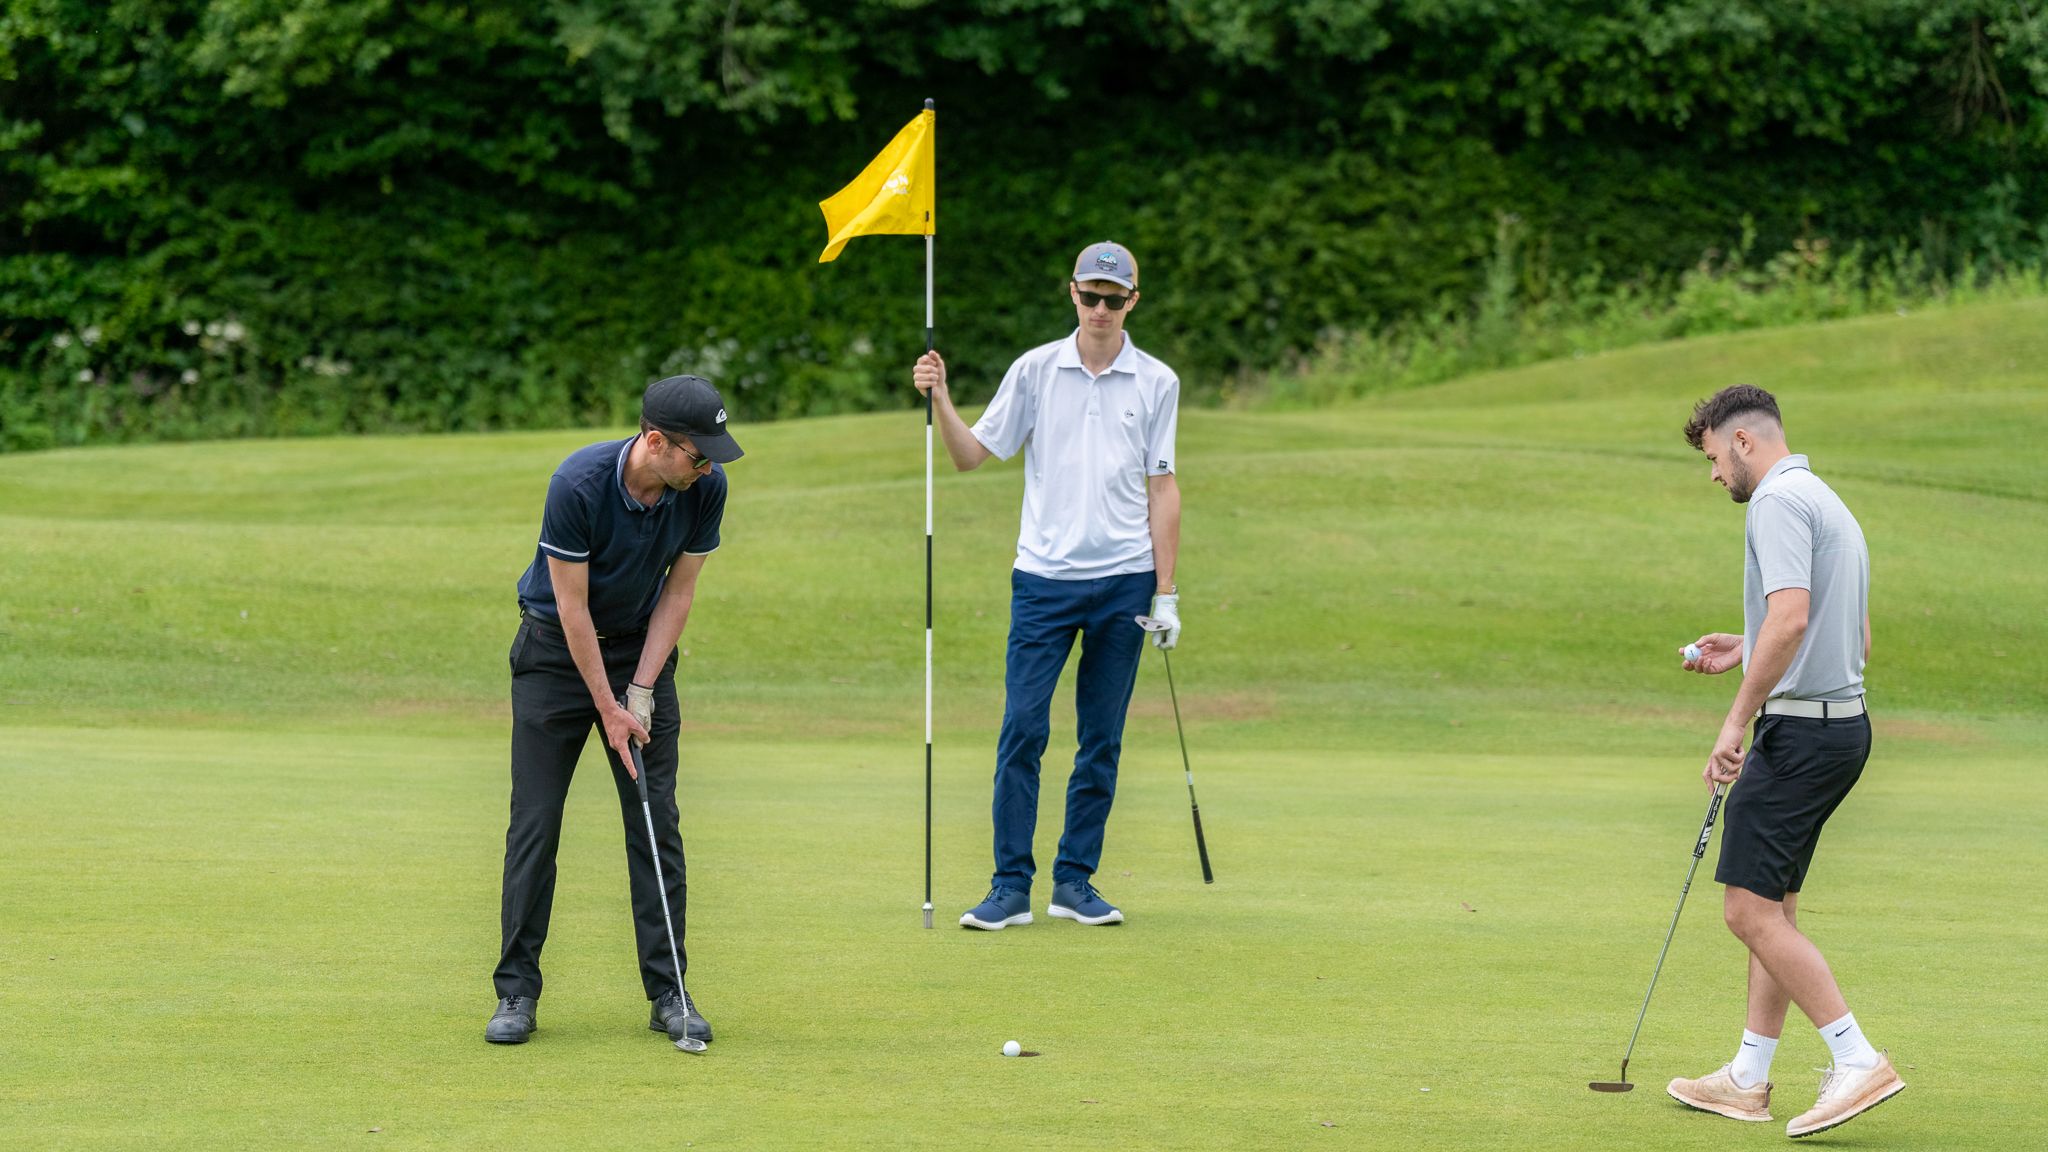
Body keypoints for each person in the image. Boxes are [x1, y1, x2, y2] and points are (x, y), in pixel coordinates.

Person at [912, 240, 1182, 931]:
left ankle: (1074, 882)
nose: (1099, 308)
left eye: (1112, 298)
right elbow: (973, 455)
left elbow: (1163, 487)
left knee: (1101, 738)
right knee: (1023, 729)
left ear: (1131, 303)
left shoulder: (1157, 382)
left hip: (1126, 579)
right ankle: (1009, 886)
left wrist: (1167, 592)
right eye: (1089, 295)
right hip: (1044, 580)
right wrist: (940, 398)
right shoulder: (1036, 370)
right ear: (1072, 294)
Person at [1665, 385, 1904, 1137]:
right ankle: (1748, 1076)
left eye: (1711, 458)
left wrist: (1735, 721)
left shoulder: (1773, 501)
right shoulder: (1826, 498)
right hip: (1840, 728)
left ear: (1742, 442)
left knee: (1746, 909)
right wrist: (1748, 643)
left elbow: (1794, 616)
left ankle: (1857, 1058)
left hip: (1799, 737)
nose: (1713, 476)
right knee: (1776, 905)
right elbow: (1848, 635)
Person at [484, 374, 740, 1045]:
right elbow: (571, 609)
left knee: (656, 823)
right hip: (553, 656)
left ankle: (670, 993)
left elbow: (677, 595)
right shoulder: (579, 483)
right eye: (699, 453)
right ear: (655, 442)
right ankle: (516, 992)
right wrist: (607, 706)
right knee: (534, 825)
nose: (710, 465)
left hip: (638, 655)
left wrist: (641, 693)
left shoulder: (704, 489)